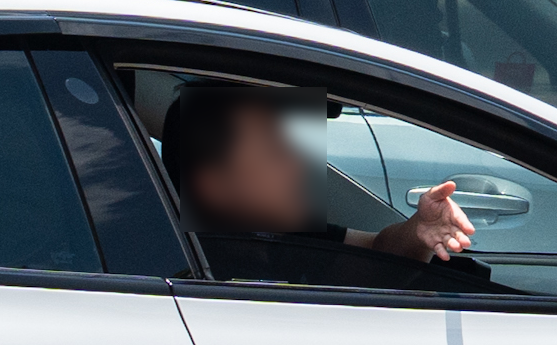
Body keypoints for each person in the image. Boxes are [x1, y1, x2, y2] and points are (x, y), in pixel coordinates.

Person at [163, 84, 480, 289]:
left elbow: (379, 256)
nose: (299, 164)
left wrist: (419, 229)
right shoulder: (172, 262)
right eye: (276, 152)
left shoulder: (286, 236)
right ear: (213, 185)